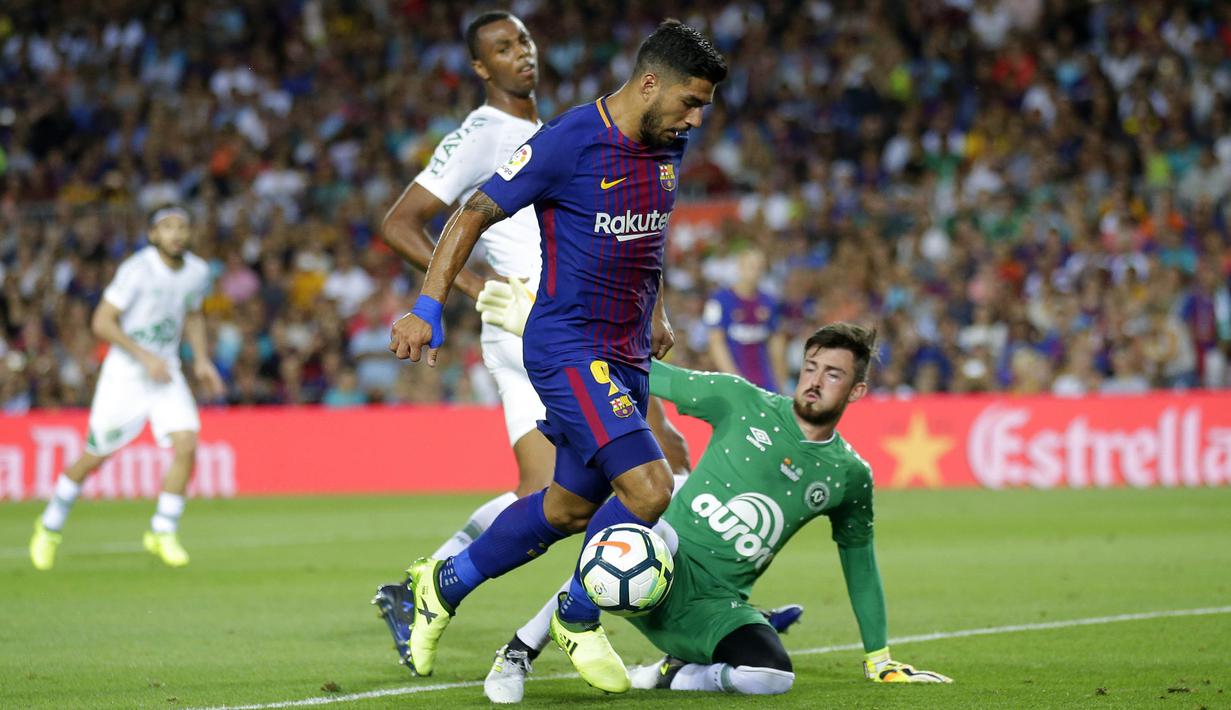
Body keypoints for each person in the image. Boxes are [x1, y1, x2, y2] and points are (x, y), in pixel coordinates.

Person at [387, 20, 727, 693]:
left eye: (702, 108)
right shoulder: (570, 140)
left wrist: (654, 312)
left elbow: (646, 237)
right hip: (567, 346)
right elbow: (467, 215)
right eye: (689, 102)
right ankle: (576, 616)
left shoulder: (667, 142)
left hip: (625, 348)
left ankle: (439, 585)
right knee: (650, 488)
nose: (695, 119)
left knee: (569, 507)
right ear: (649, 83)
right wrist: (428, 308)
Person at [477, 323, 952, 702]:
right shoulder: (740, 400)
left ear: (856, 391)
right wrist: (569, 340)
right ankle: (517, 652)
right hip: (663, 563)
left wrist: (879, 657)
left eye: (833, 374)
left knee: (771, 678)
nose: (815, 380)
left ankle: (673, 676)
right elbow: (644, 371)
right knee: (634, 536)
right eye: (810, 367)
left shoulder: (850, 475)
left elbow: (860, 563)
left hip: (716, 605)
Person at [28, 206, 224, 570]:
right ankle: (50, 525)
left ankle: (162, 530)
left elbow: (193, 313)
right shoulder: (137, 270)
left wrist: (201, 359)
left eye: (182, 226)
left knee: (187, 442)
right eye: (167, 227)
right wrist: (143, 355)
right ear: (153, 235)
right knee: (95, 458)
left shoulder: (197, 271)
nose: (176, 233)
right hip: (126, 375)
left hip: (166, 371)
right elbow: (101, 321)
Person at [703, 247, 788, 391]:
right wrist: (733, 378)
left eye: (760, 268)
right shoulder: (719, 300)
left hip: (765, 379)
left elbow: (777, 344)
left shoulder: (770, 302)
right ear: (739, 268)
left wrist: (780, 381)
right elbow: (716, 342)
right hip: (733, 378)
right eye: (751, 266)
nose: (755, 272)